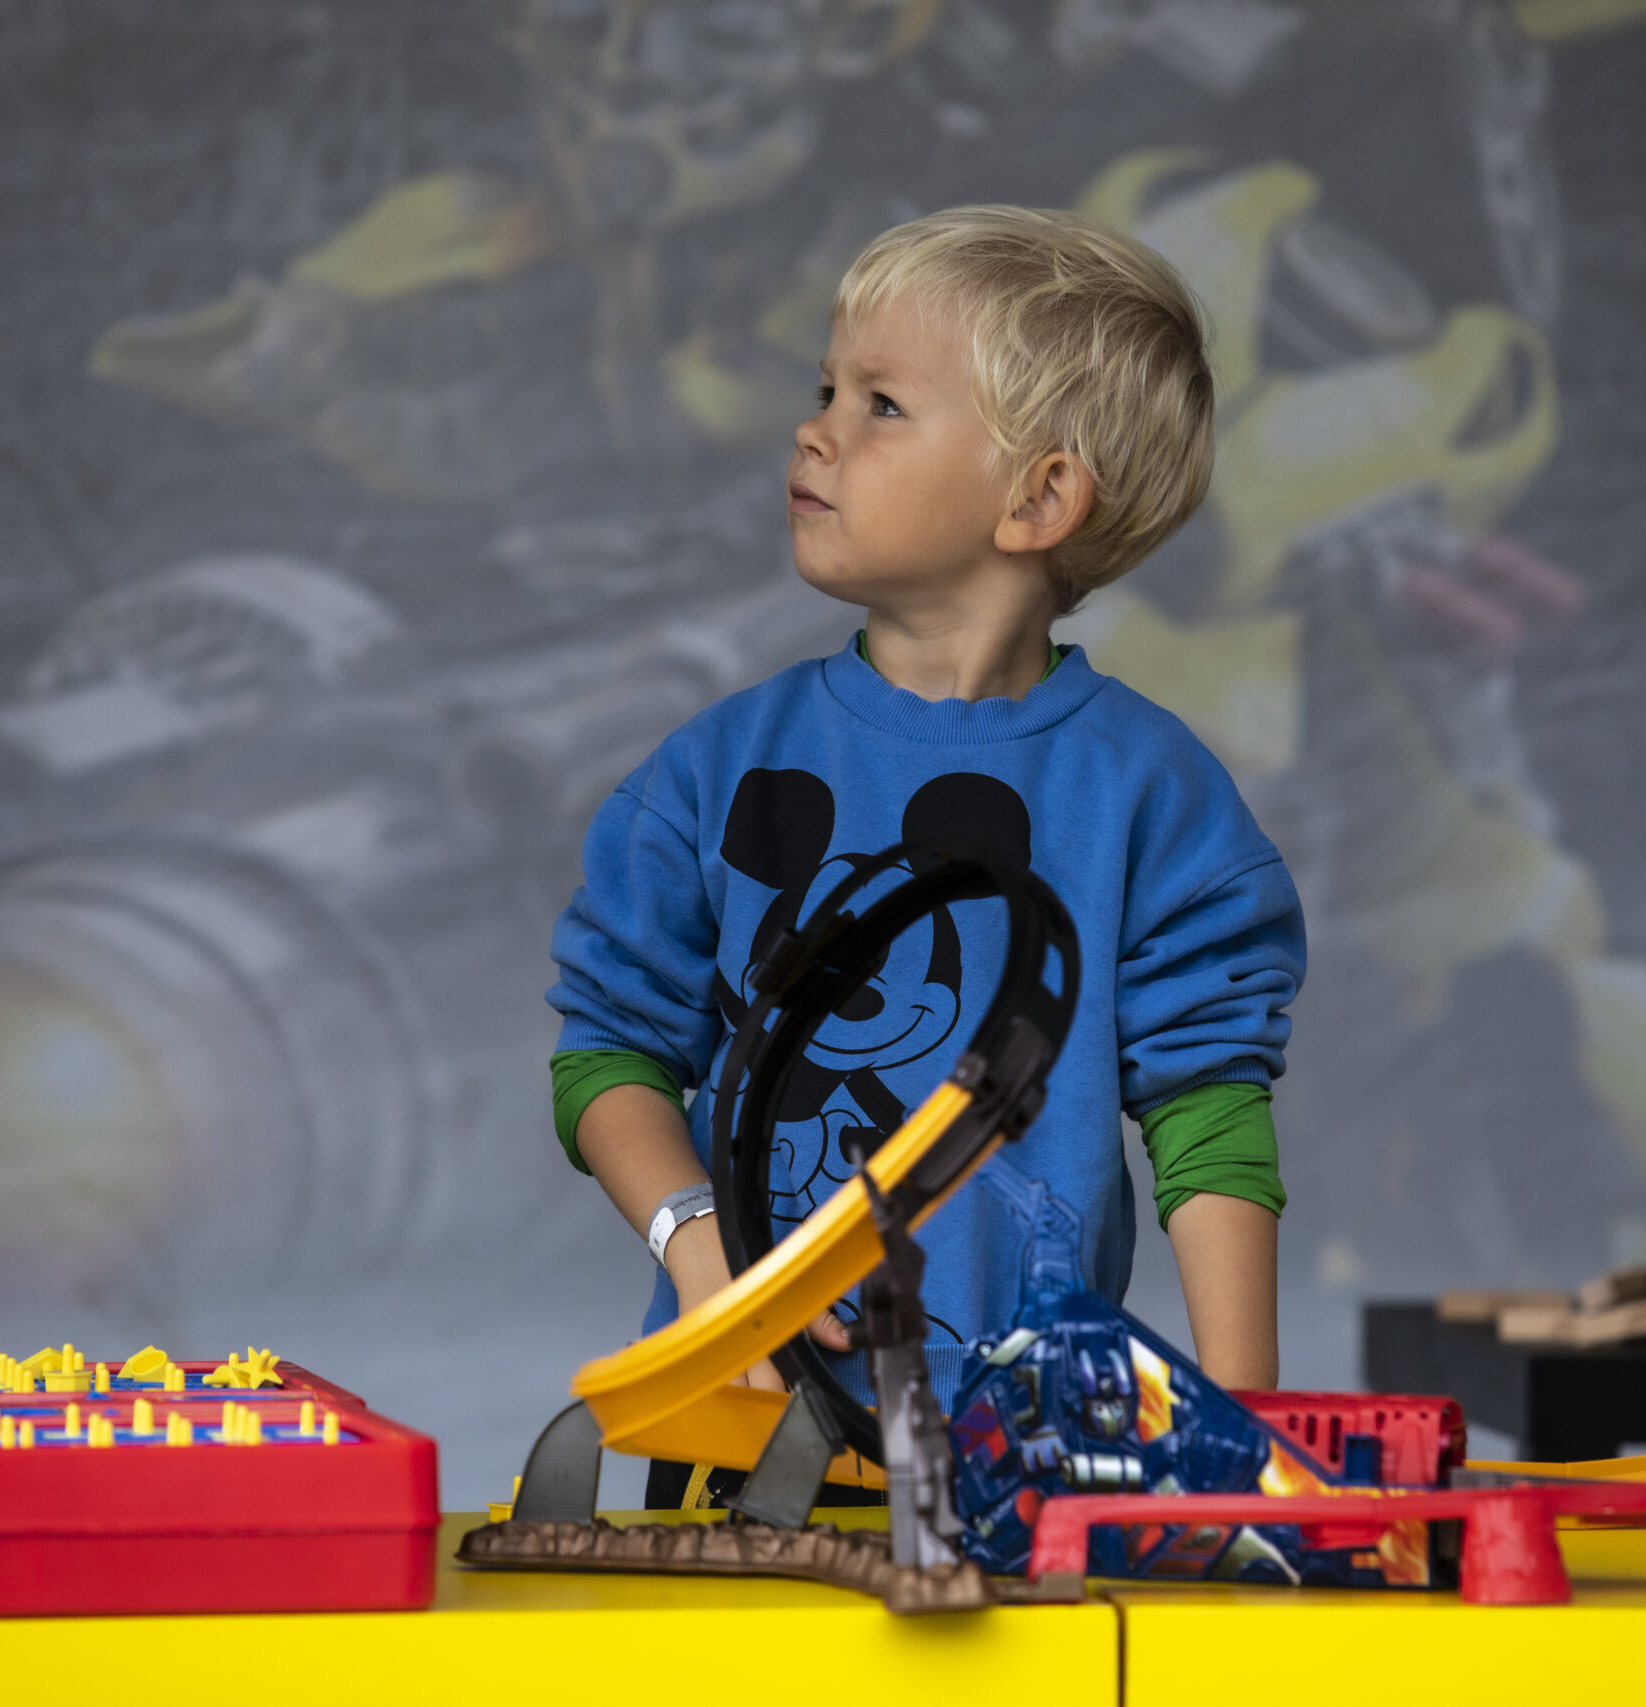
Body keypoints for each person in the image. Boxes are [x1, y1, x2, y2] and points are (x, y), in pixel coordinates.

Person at [545, 205, 1304, 1509]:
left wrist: (1256, 1447)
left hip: (1028, 1479)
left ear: (1039, 497)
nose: (815, 430)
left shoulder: (1152, 797)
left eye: (882, 404)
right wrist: (701, 1253)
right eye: (825, 390)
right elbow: (606, 1053)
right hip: (739, 1468)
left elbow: (1209, 1107)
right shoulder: (715, 773)